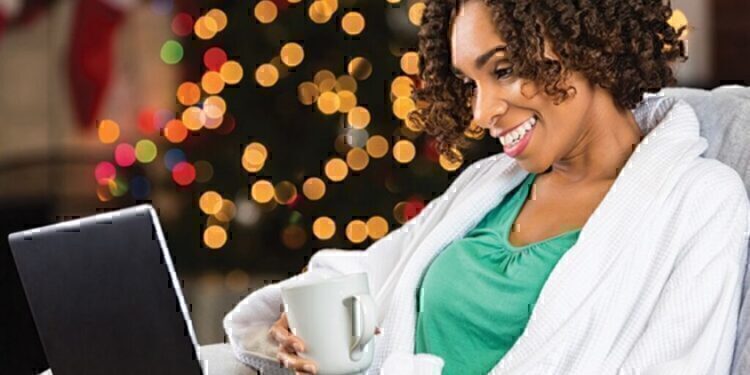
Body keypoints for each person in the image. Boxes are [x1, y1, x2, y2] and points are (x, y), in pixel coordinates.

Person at [224, 0, 749, 373]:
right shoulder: (491, 185)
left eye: (504, 69)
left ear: (587, 40)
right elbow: (365, 277)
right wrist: (287, 326)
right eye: (470, 83)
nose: (481, 112)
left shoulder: (698, 202)